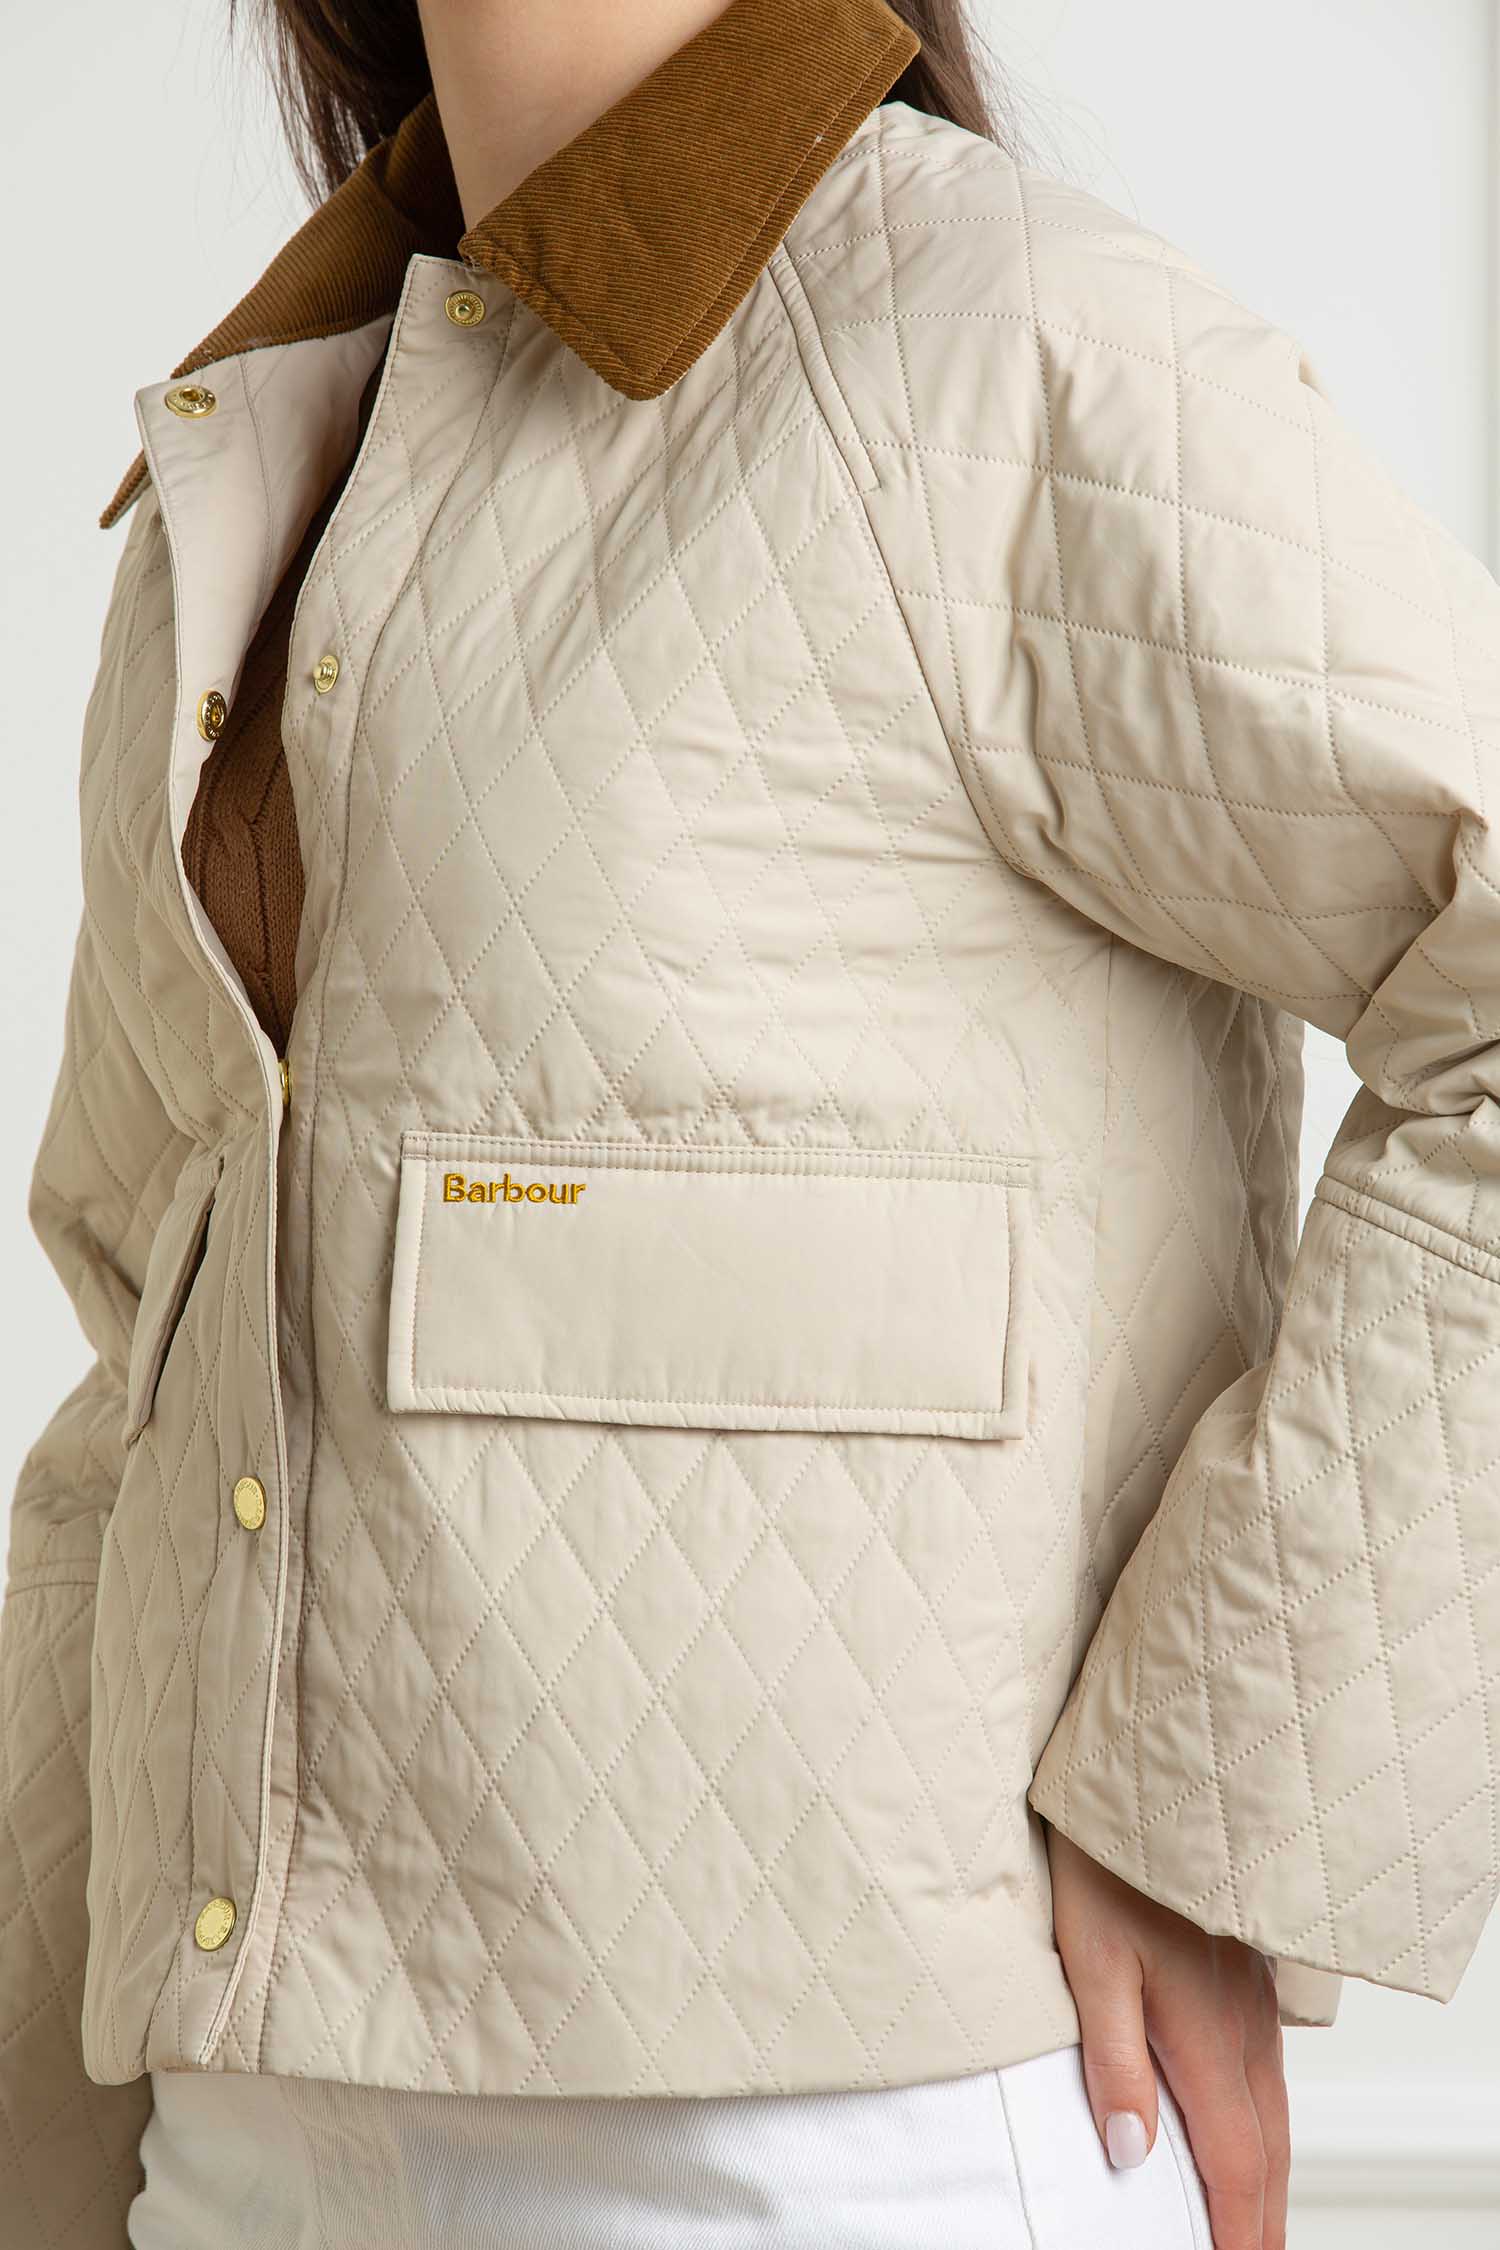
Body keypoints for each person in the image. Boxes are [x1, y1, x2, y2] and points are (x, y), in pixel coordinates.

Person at [3, 0, 1497, 2243]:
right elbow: (142, 1386)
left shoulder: (1001, 349)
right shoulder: (255, 462)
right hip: (234, 2147)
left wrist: (1223, 1805)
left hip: (837, 2148)